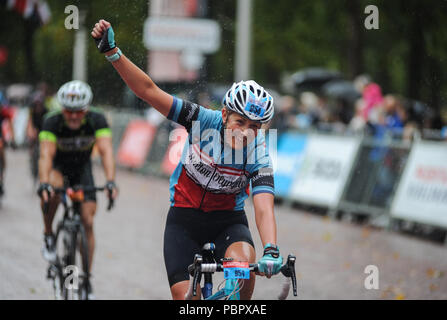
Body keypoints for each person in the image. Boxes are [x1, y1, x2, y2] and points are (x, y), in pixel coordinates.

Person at [91, 19, 282, 300]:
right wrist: (113, 53)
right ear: (226, 114)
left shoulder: (259, 152)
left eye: (255, 127)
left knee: (242, 268)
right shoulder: (201, 119)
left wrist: (271, 249)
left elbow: (264, 207)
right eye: (240, 122)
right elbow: (148, 91)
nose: (245, 133)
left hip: (228, 222)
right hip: (184, 220)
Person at [37, 80, 118, 299]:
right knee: (52, 188)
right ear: (61, 108)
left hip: (82, 170)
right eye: (68, 112)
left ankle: (86, 280)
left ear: (87, 108)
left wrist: (111, 181)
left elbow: (106, 151)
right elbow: (46, 155)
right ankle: (48, 235)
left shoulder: (97, 119)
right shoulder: (51, 121)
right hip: (58, 168)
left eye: (79, 112)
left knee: (88, 221)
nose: (73, 116)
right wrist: (43, 182)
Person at [0, 89, 16, 196]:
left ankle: (1, 177)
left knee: (2, 155)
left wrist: (13, 139)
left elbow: (10, 124)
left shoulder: (3, 111)